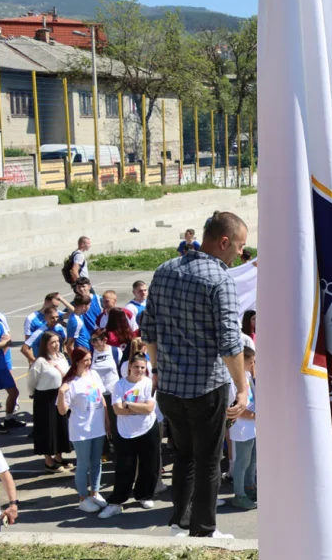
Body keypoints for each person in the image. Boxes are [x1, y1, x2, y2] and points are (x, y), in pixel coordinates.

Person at [141, 211, 249, 539]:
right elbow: (230, 343)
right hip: (206, 388)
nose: (241, 253)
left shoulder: (164, 270)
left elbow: (148, 331)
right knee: (208, 461)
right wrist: (242, 388)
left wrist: (157, 371)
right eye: (240, 246)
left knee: (184, 457)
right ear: (224, 242)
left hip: (170, 388)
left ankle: (180, 521)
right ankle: (203, 529)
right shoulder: (220, 280)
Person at [99, 352, 161, 519]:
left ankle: (144, 495)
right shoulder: (119, 385)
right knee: (125, 467)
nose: (139, 370)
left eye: (142, 368)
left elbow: (149, 408)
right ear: (130, 368)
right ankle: (117, 502)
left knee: (149, 465)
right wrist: (138, 407)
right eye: (136, 367)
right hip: (125, 432)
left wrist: (127, 404)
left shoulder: (149, 383)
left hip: (148, 429)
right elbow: (117, 410)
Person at [57, 346, 110, 513]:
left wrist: (107, 420)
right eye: (85, 360)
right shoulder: (70, 382)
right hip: (81, 430)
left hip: (97, 427)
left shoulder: (93, 374)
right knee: (83, 464)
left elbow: (101, 398)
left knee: (96, 462)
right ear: (77, 361)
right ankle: (83, 498)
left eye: (89, 359)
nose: (88, 363)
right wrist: (61, 393)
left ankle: (95, 492)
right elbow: (62, 411)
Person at [28, 330, 71, 471]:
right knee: (47, 429)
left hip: (60, 395)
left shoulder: (61, 357)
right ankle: (49, 461)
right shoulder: (40, 361)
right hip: (45, 398)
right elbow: (31, 381)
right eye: (52, 342)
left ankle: (58, 457)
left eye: (58, 341)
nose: (56, 344)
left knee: (60, 427)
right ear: (45, 344)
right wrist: (33, 394)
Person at [226, 343, 257, 511]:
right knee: (242, 462)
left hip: (252, 426)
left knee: (252, 460)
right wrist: (256, 416)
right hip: (242, 427)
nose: (253, 364)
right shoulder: (233, 380)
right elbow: (236, 408)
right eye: (250, 361)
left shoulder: (247, 375)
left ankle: (249, 487)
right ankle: (239, 495)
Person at [0, 311, 22, 434]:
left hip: (1, 365)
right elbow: (5, 342)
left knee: (14, 392)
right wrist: (3, 343)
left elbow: (9, 341)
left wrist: (3, 344)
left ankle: (9, 418)